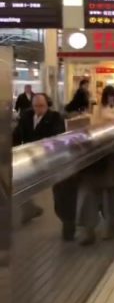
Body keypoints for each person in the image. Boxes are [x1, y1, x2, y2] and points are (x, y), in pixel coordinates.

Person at [13, 93, 70, 232]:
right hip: (28, 158)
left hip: (48, 159)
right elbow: (17, 134)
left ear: (47, 105)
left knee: (59, 192)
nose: (38, 109)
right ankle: (29, 208)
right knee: (19, 183)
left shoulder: (55, 117)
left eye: (42, 106)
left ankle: (67, 221)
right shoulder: (26, 117)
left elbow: (57, 137)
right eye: (36, 106)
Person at [77, 85, 114, 245]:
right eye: (109, 95)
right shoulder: (97, 107)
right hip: (98, 150)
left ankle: (108, 229)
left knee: (109, 194)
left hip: (112, 150)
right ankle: (90, 229)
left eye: (113, 95)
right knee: (95, 193)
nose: (112, 98)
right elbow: (95, 124)